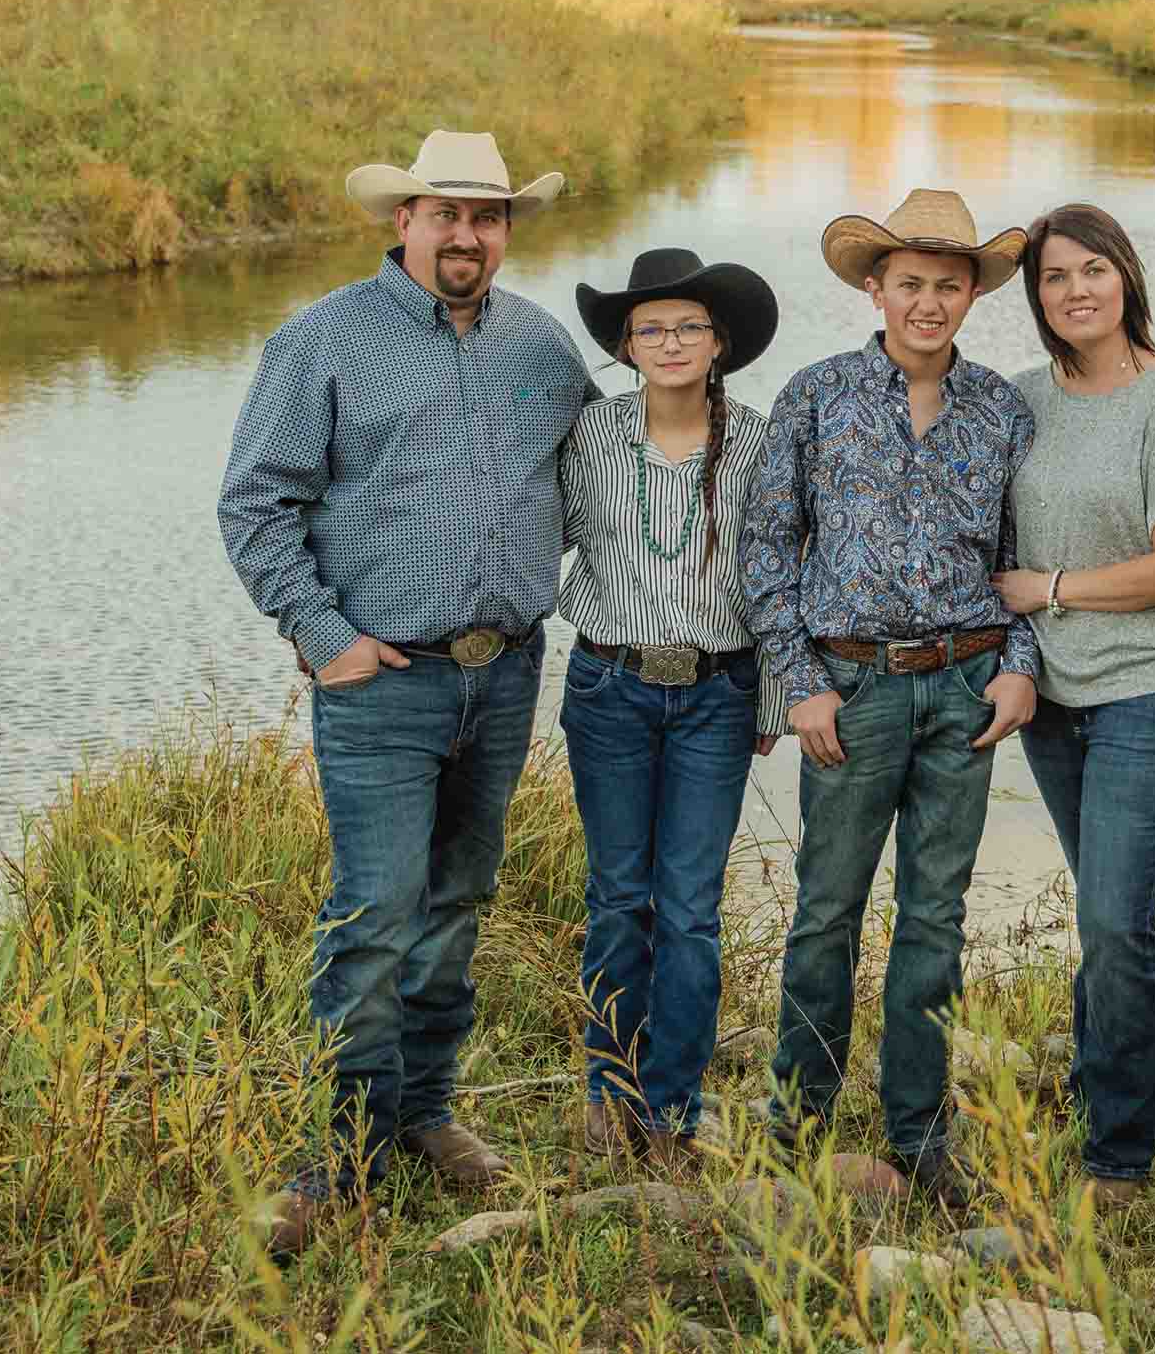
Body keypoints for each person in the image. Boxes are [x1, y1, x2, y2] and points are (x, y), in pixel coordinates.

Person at [217, 130, 594, 1258]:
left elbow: (594, 478)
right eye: (446, 213)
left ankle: (424, 1111)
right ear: (404, 221)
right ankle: (338, 1155)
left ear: (506, 229)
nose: (467, 234)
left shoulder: (542, 344)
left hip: (506, 668)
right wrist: (322, 635)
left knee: (457, 904)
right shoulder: (323, 337)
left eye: (487, 216)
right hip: (383, 682)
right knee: (376, 913)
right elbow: (254, 502)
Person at [741, 187, 1040, 1209]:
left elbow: (1025, 558)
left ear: (971, 295)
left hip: (965, 685)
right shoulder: (816, 395)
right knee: (825, 913)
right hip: (850, 688)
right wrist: (798, 684)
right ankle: (796, 1123)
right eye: (908, 282)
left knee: (935, 919)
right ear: (874, 286)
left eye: (947, 286)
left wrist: (1020, 666)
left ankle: (921, 1137)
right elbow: (767, 549)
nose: (927, 301)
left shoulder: (1002, 408)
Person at [989, 202, 1155, 1209]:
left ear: (1125, 276)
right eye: (1054, 276)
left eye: (1093, 268)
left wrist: (1049, 589)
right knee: (1102, 915)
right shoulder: (1015, 400)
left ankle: (1120, 1160)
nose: (1076, 289)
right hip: (1056, 697)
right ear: (1036, 296)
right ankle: (1099, 1092)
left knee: (1111, 913)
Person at [557, 248, 783, 1168]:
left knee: (689, 906)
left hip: (715, 694)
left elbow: (779, 575)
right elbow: (536, 529)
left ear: (721, 341)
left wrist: (773, 690)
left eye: (690, 325)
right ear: (625, 345)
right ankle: (609, 1091)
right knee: (620, 898)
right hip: (609, 686)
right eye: (651, 327)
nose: (671, 341)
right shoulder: (589, 435)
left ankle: (673, 1109)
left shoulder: (763, 441)